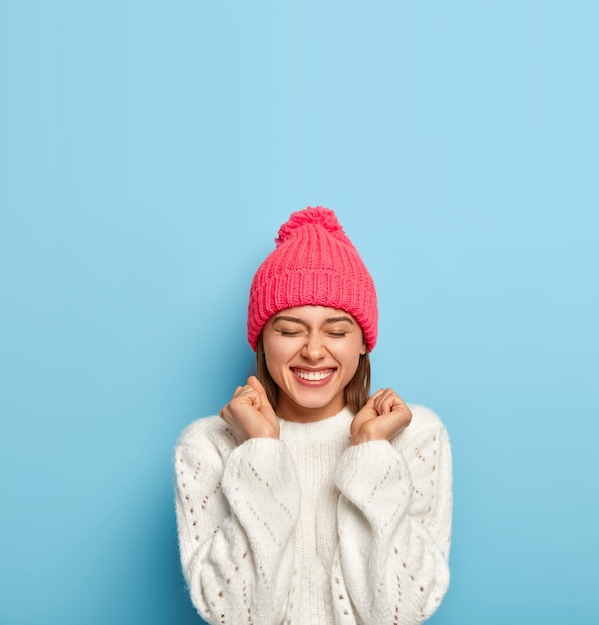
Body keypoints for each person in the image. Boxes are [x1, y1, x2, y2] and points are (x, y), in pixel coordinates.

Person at [174, 206, 453, 625]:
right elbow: (235, 615)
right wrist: (261, 451)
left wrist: (370, 452)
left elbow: (399, 613)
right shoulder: (208, 447)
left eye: (337, 331)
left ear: (362, 343)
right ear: (262, 340)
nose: (314, 350)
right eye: (289, 330)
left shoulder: (413, 436)